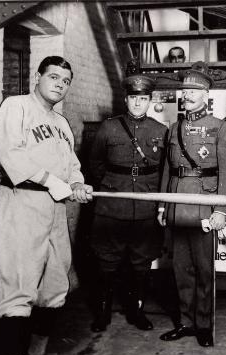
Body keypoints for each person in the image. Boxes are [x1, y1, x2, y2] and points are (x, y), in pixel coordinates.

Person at [0, 56, 93, 355]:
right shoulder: (15, 107)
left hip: (54, 210)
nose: (60, 84)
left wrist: (78, 184)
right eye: (53, 76)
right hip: (20, 204)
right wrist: (55, 182)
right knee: (16, 292)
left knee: (54, 290)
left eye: (66, 80)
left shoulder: (62, 123)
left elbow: (72, 166)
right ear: (37, 77)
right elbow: (8, 154)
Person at [158, 61, 226, 347]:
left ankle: (204, 325)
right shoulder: (174, 128)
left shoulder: (220, 128)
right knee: (181, 269)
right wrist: (162, 207)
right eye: (184, 90)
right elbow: (168, 169)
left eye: (194, 90)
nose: (187, 95)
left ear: (207, 95)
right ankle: (186, 322)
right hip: (179, 204)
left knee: (205, 269)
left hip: (205, 206)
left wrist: (221, 211)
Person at [89, 73, 168, 333]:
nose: (137, 103)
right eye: (133, 98)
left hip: (145, 204)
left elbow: (165, 170)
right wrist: (113, 185)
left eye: (143, 99)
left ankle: (137, 312)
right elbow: (96, 164)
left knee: (141, 262)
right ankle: (102, 313)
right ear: (126, 99)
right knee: (105, 261)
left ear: (149, 101)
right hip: (112, 204)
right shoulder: (108, 127)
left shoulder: (160, 130)